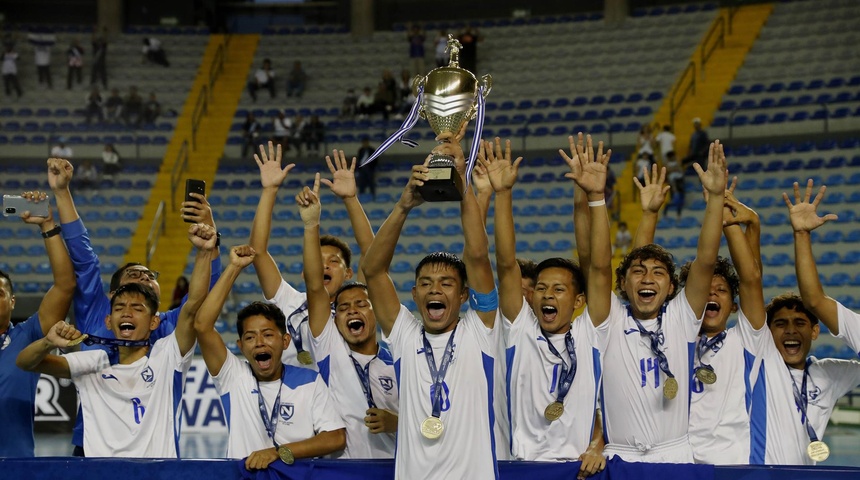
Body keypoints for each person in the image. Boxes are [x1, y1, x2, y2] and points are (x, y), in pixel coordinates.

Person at [45, 156, 221, 456]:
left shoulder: (171, 326)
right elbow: (84, 259)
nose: (142, 278)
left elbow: (205, 295)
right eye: (132, 278)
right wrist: (61, 192)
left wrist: (210, 238)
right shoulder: (95, 313)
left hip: (156, 449)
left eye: (149, 277)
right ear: (111, 298)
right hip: (91, 446)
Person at [361, 132, 500, 479]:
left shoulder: (481, 329)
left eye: (446, 283)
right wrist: (404, 204)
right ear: (414, 294)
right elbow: (373, 270)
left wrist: (462, 180)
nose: (434, 289)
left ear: (465, 295)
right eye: (425, 283)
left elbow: (479, 254)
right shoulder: (405, 334)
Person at [16, 223, 217, 458]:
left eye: (137, 308)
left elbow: (193, 305)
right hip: (98, 472)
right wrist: (48, 342)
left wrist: (205, 252)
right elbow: (25, 362)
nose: (127, 313)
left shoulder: (167, 354)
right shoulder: (93, 361)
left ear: (155, 321)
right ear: (109, 321)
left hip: (156, 473)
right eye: (120, 307)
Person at [483, 134, 609, 476]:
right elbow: (507, 265)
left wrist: (595, 197)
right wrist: (503, 194)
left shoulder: (592, 331)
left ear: (579, 300)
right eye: (540, 288)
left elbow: (599, 268)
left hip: (578, 470)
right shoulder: (520, 327)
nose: (547, 295)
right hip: (521, 469)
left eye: (558, 289)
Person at [597, 141, 726, 463]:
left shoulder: (681, 317)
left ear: (671, 288)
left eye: (658, 274)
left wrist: (715, 200)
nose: (647, 279)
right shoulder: (611, 316)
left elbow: (706, 260)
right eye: (638, 274)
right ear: (623, 284)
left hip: (674, 456)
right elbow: (601, 263)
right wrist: (598, 199)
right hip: (619, 457)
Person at [194, 246, 346, 468]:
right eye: (250, 337)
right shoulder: (233, 376)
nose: (260, 343)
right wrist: (234, 268)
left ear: (285, 341)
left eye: (267, 334)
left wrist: (278, 452)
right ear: (240, 346)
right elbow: (202, 324)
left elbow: (336, 437)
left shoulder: (310, 382)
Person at [744, 179, 860, 465]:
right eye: (780, 324)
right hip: (757, 473)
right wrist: (799, 235)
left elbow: (816, 303)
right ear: (767, 332)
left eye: (800, 323)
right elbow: (751, 282)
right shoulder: (755, 364)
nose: (791, 330)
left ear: (816, 330)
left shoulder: (830, 374)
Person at [298, 172, 399, 459]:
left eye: (361, 304)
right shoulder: (329, 346)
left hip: (394, 472)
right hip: (340, 471)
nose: (352, 310)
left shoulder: (401, 360)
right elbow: (315, 286)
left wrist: (351, 200)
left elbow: (373, 257)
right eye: (342, 308)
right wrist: (310, 225)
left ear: (376, 310)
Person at [249, 143, 372, 370]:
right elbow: (257, 252)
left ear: (348, 273)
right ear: (306, 272)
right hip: (296, 401)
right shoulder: (289, 301)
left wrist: (351, 199)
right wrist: (269, 190)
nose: (324, 266)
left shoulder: (359, 305)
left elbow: (371, 253)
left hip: (346, 400)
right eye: (319, 261)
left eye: (334, 261)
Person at [681, 183, 769, 464]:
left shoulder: (746, 339)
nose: (711, 294)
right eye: (704, 289)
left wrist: (727, 219)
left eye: (720, 290)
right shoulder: (672, 338)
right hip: (679, 461)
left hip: (732, 463)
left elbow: (751, 279)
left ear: (733, 305)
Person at [0, 192, 75, 457]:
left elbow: (66, 286)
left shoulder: (27, 336)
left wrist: (47, 226)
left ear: (12, 302)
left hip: (15, 466)